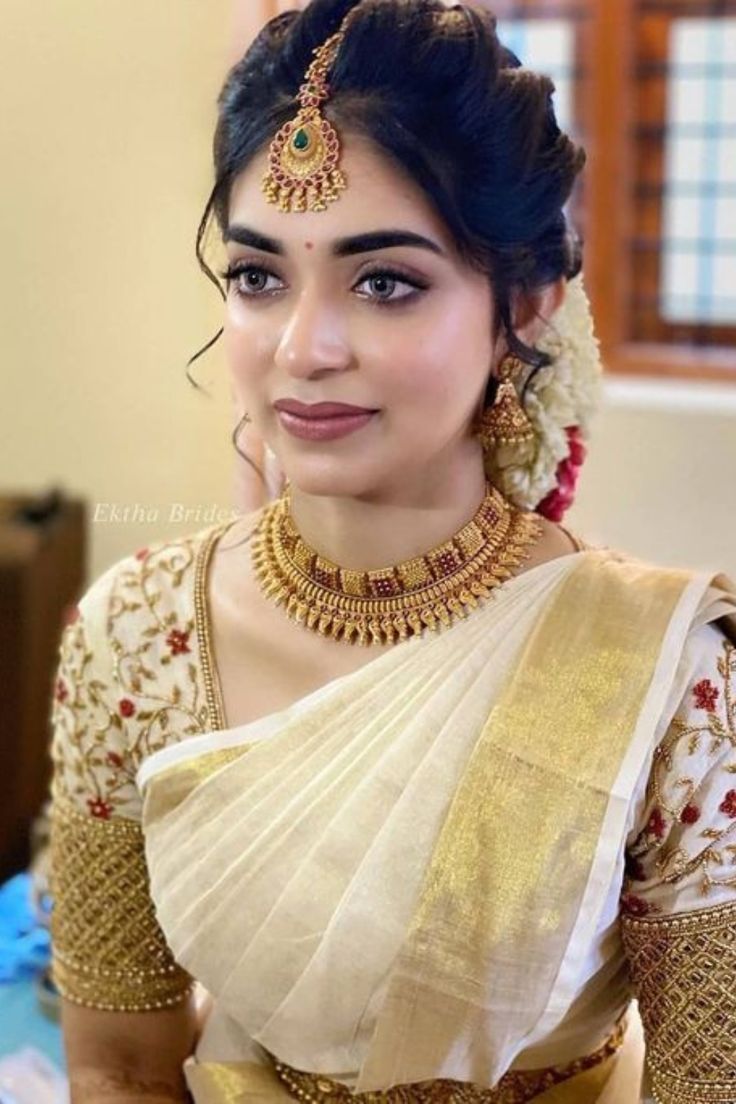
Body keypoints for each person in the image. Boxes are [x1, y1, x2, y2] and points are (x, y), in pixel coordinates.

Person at [47, 1, 736, 1102]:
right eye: (259, 276)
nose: (303, 348)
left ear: (524, 306)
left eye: (385, 283)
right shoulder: (136, 639)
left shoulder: (664, 678)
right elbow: (119, 1065)